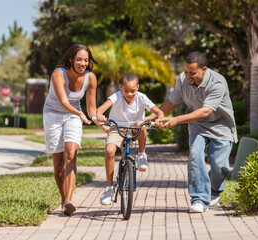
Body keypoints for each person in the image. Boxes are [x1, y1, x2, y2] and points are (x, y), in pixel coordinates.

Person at [155, 51, 237, 213]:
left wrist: (177, 120)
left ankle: (214, 190)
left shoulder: (218, 82)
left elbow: (205, 111)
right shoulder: (182, 80)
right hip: (197, 125)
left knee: (221, 167)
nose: (188, 76)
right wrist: (154, 115)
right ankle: (199, 198)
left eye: (192, 73)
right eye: (186, 72)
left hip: (221, 126)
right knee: (195, 155)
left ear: (204, 70)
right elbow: (172, 101)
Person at [43, 44, 98, 216]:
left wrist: (100, 120)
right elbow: (64, 103)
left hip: (74, 115)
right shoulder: (58, 74)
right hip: (53, 114)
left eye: (86, 60)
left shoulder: (91, 78)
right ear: (70, 60)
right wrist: (80, 114)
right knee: (58, 163)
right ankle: (63, 199)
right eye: (79, 59)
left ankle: (68, 200)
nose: (83, 63)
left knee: (71, 154)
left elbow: (91, 109)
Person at [96, 72, 164, 205]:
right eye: (126, 90)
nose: (129, 94)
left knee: (141, 124)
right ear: (121, 87)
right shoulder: (116, 96)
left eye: (133, 91)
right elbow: (101, 109)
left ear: (137, 87)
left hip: (134, 128)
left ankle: (142, 154)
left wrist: (160, 117)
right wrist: (100, 115)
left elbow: (158, 111)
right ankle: (109, 188)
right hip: (117, 128)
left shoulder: (142, 98)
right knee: (110, 151)